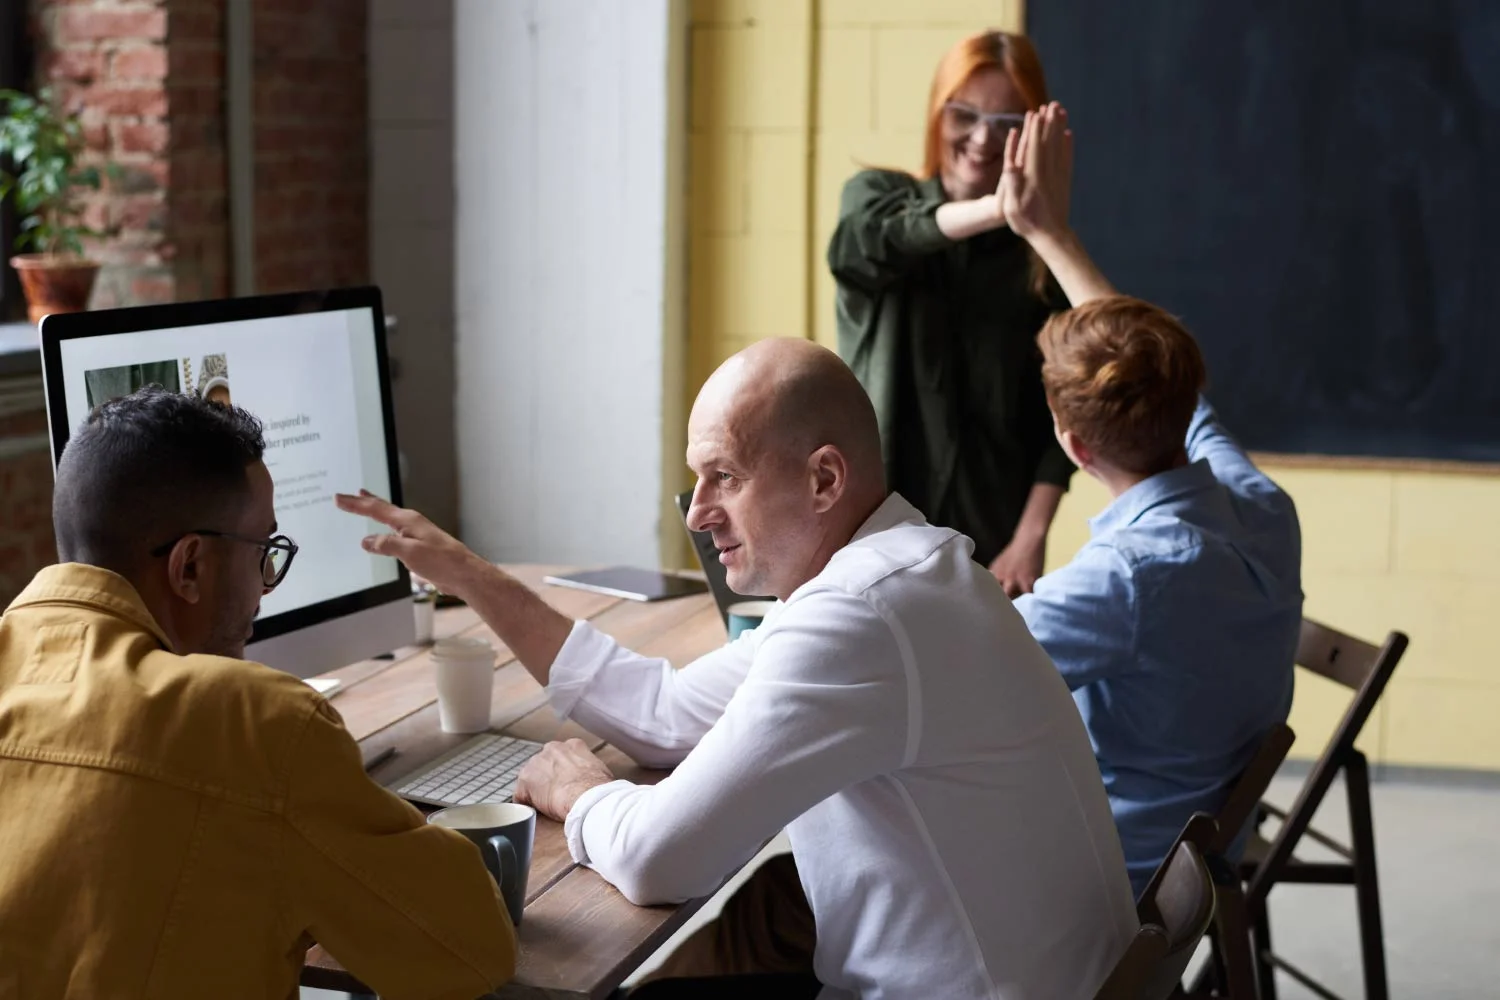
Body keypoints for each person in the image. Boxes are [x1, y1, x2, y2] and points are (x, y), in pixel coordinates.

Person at [335, 338, 1137, 999]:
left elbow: (660, 859)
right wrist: (471, 574)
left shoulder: (861, 613)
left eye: (724, 476)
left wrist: (581, 794)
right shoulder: (894, 574)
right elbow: (663, 713)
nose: (695, 511)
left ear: (824, 479)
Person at [0, 388, 516, 1000]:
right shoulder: (254, 725)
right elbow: (472, 952)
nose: (266, 587)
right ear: (190, 567)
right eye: (264, 551)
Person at [995, 102, 1303, 894]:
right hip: (1188, 869)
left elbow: (958, 661)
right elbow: (1163, 379)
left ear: (1074, 448)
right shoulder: (1263, 508)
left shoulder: (1126, 580)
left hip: (1094, 890)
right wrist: (1051, 235)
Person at [828, 29, 1073, 597]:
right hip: (867, 547)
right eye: (965, 114)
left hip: (988, 555)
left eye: (1008, 123)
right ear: (938, 114)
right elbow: (879, 240)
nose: (983, 139)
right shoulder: (876, 198)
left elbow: (1060, 418)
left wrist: (1031, 537)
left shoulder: (1038, 260)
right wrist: (997, 209)